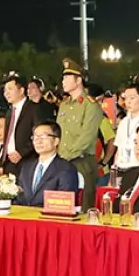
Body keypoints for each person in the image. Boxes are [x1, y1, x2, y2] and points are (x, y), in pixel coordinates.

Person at [56, 59, 105, 207]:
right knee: (61, 205)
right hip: (62, 161)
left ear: (78, 80)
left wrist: (65, 157)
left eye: (66, 78)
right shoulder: (64, 105)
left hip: (81, 162)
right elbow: (58, 132)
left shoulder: (90, 105)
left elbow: (86, 138)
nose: (63, 81)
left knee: (82, 206)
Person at [16, 121, 79, 207]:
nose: (38, 141)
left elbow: (64, 204)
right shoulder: (26, 167)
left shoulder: (66, 169)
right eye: (35, 137)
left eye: (43, 136)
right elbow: (19, 198)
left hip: (49, 218)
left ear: (56, 141)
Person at [1, 76, 43, 176]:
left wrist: (21, 152)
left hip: (27, 161)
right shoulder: (9, 112)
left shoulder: (34, 109)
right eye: (5, 90)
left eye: (10, 89)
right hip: (9, 163)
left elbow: (40, 135)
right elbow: (7, 140)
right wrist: (2, 165)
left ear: (21, 90)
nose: (6, 93)